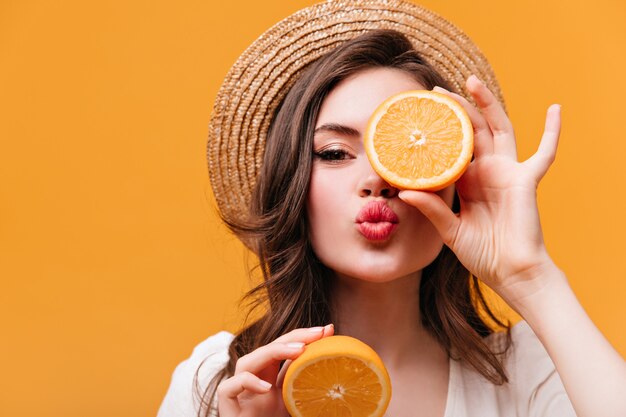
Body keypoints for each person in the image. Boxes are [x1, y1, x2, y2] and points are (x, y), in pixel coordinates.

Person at [158, 1, 626, 416]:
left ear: (454, 180)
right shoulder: (219, 385)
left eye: (405, 152)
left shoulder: (527, 374)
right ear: (291, 183)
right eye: (335, 153)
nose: (376, 181)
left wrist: (531, 277)